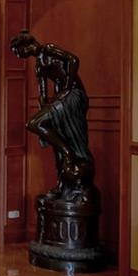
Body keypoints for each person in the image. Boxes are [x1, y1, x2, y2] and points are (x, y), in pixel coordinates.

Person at [10, 30, 95, 198]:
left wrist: (67, 87)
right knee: (54, 137)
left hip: (73, 95)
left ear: (25, 46)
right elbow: (42, 94)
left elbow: (73, 60)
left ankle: (68, 153)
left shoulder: (48, 49)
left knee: (33, 123)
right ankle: (62, 184)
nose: (18, 56)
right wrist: (45, 109)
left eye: (18, 52)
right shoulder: (38, 67)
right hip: (60, 100)